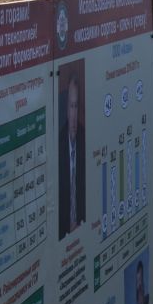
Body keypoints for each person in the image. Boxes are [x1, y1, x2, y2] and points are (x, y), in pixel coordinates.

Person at [59, 64, 85, 237]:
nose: (74, 115)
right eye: (70, 106)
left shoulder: (84, 138)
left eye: (76, 106)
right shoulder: (59, 145)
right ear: (66, 110)